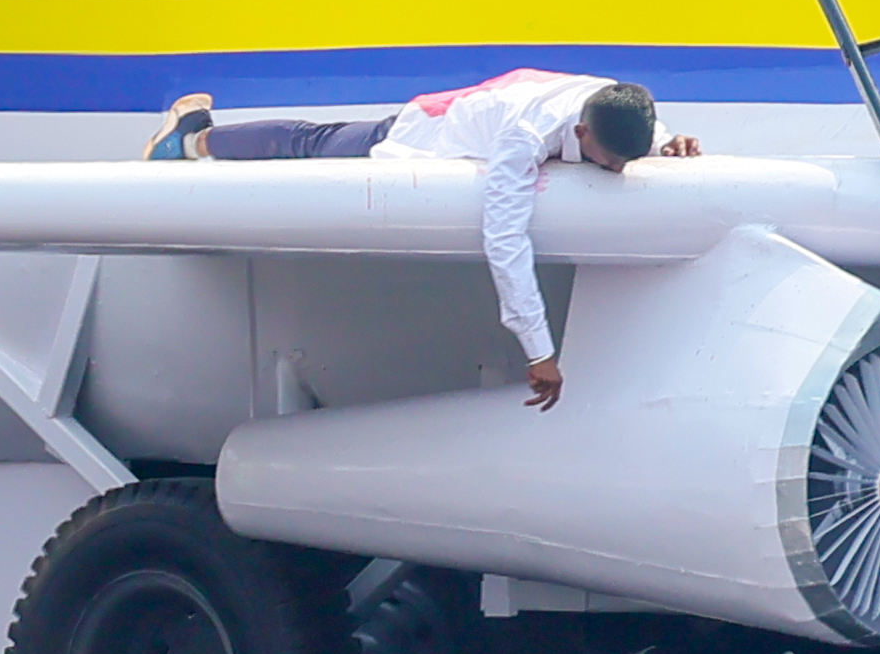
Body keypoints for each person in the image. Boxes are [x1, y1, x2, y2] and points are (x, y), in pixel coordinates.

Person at [169, 69, 694, 413]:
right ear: (581, 136)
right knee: (314, 142)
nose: (619, 170)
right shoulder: (525, 139)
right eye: (609, 161)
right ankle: (192, 137)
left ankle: (197, 134)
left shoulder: (623, 112)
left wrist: (670, 144)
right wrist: (538, 350)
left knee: (317, 137)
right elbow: (505, 239)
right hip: (429, 128)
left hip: (492, 97)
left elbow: (646, 131)